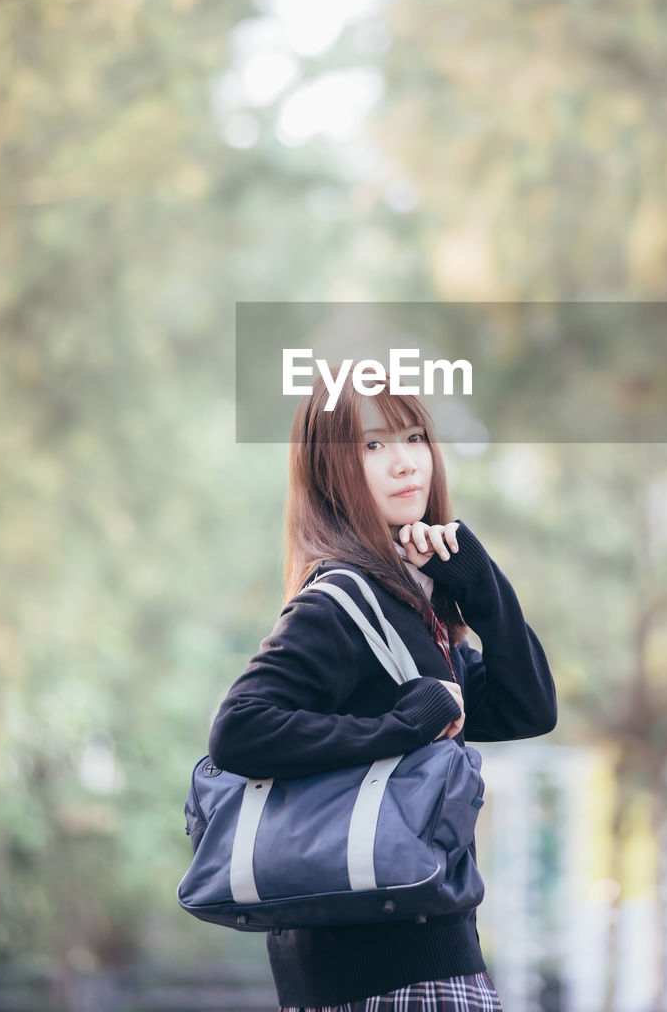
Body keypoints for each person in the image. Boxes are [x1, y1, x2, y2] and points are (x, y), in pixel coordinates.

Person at [209, 372, 557, 1011]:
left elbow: (527, 707)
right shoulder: (340, 604)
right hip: (391, 979)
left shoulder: (411, 613)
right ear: (330, 471)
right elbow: (239, 728)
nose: (405, 462)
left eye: (415, 436)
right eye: (373, 446)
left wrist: (479, 585)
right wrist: (404, 725)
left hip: (401, 967)